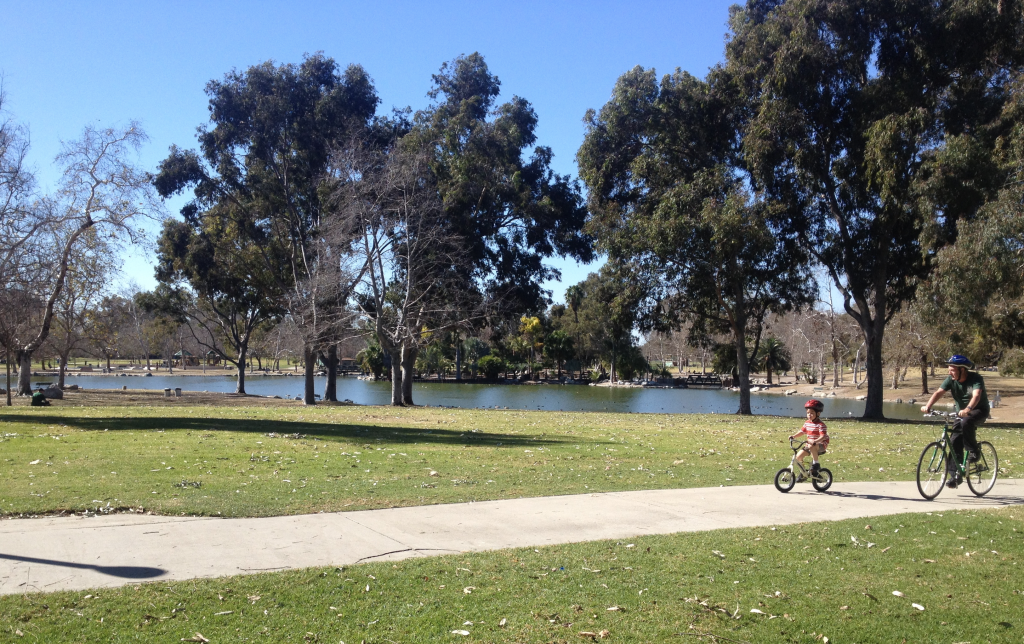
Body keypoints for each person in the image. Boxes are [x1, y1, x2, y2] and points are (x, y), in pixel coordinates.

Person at [921, 354, 990, 488]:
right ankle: (955, 475)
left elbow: (976, 396)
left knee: (966, 422)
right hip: (961, 413)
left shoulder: (976, 378)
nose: (949, 372)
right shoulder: (951, 380)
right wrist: (928, 406)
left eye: (952, 370)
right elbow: (938, 393)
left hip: (979, 410)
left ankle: (974, 451)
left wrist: (968, 409)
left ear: (962, 370)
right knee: (954, 441)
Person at [789, 399, 829, 481]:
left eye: (812, 413)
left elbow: (823, 436)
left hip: (821, 445)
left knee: (811, 446)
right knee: (798, 457)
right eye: (808, 413)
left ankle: (816, 464)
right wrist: (794, 436)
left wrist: (815, 441)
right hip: (810, 445)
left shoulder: (821, 425)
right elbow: (802, 432)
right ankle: (803, 473)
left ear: (818, 414)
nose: (809, 415)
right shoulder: (807, 423)